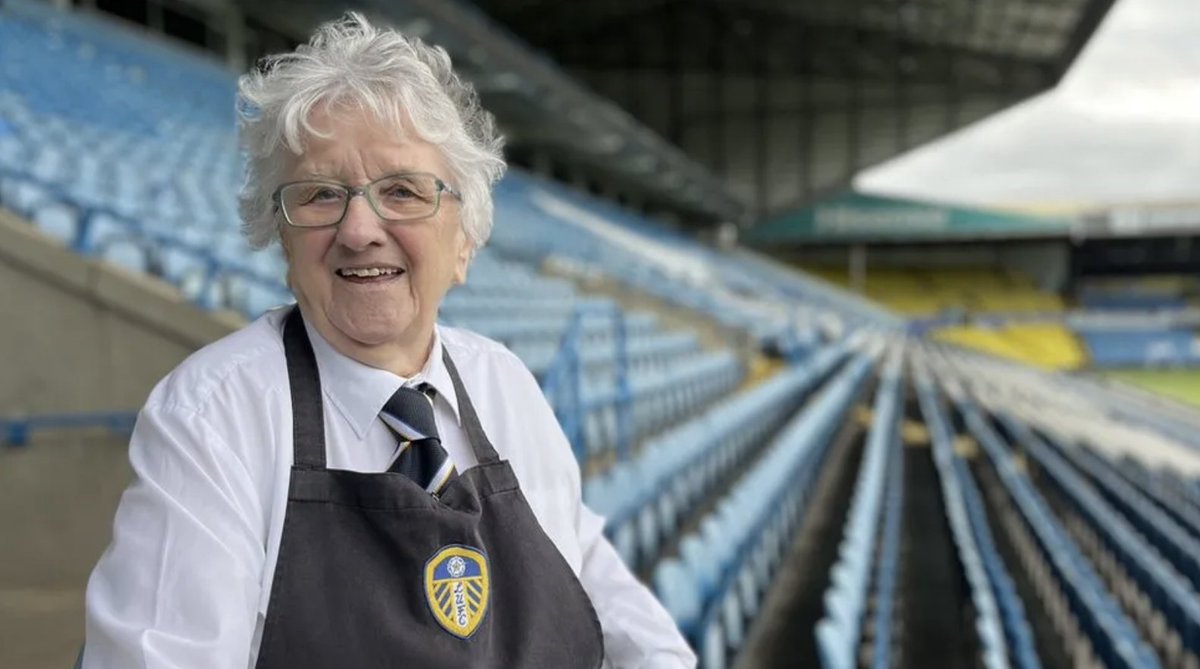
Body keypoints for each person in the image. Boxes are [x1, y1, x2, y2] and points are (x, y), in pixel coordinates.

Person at [81, 13, 695, 669]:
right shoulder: (212, 418)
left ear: (465, 240)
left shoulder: (503, 383)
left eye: (402, 191)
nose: (359, 229)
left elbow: (600, 588)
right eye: (320, 195)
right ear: (280, 237)